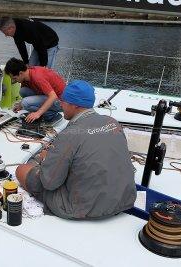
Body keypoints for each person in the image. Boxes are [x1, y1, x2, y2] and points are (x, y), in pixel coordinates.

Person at [15, 80, 137, 220]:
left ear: (74, 105)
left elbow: (49, 182)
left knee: (22, 169)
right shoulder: (112, 122)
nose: (60, 104)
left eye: (63, 101)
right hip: (124, 199)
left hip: (81, 208)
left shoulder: (69, 134)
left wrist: (45, 160)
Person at [4, 57, 65, 124]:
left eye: (15, 78)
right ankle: (44, 112)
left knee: (25, 103)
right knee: (23, 91)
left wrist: (37, 113)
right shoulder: (27, 74)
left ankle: (52, 116)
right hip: (51, 96)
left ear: (20, 73)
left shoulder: (37, 77)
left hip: (61, 102)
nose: (13, 81)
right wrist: (20, 104)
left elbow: (53, 96)